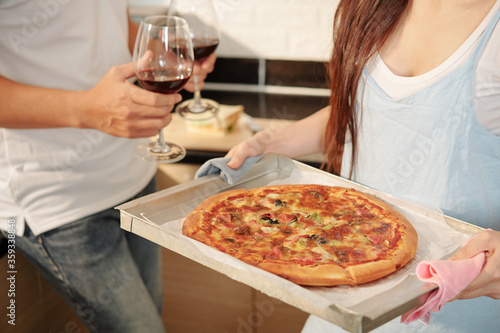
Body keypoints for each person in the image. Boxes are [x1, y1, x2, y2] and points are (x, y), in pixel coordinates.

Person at [226, 0, 500, 332]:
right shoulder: (372, 5)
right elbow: (361, 111)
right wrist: (271, 142)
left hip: (454, 316)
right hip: (346, 297)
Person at [0, 1, 215, 332]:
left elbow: (109, 22)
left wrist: (163, 55)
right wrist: (85, 109)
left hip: (133, 175)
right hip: (58, 196)